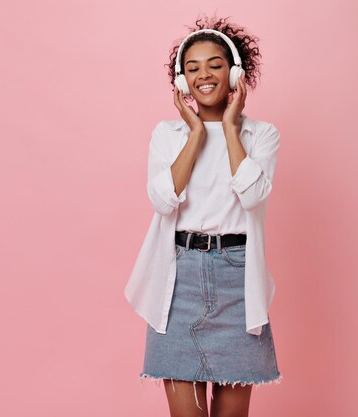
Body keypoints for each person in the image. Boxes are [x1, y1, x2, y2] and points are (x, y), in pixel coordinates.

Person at [124, 15, 282, 417]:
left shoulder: (260, 135)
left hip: (236, 279)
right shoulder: (168, 135)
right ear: (181, 81)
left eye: (214, 64)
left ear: (235, 73)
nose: (204, 76)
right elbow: (163, 201)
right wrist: (196, 134)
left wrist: (229, 127)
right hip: (179, 279)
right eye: (192, 69)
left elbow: (252, 196)